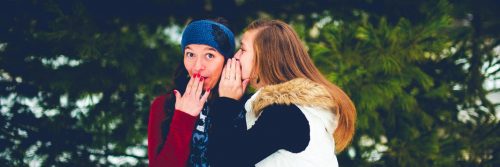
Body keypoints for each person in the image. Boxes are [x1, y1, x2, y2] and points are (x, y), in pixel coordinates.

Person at [209, 19, 357, 167]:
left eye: (243, 49)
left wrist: (226, 102)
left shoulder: (285, 114)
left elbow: (224, 160)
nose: (236, 56)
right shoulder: (293, 109)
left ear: (264, 58)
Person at [147, 18, 236, 167]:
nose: (197, 66)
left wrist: (228, 105)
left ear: (227, 62)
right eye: (190, 54)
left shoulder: (242, 105)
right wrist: (183, 118)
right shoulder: (163, 105)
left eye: (209, 55)